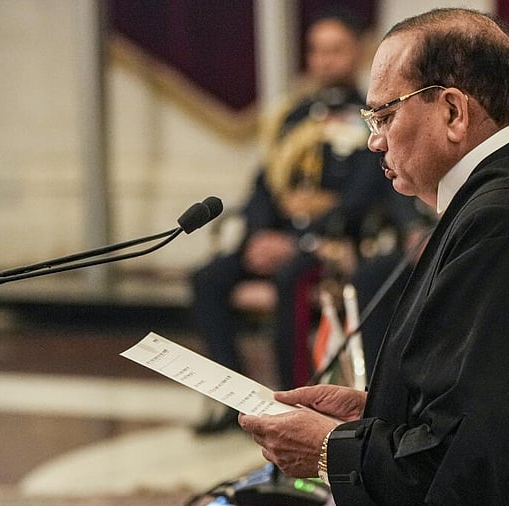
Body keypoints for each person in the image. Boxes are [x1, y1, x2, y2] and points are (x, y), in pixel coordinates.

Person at [240, 8, 509, 505]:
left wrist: (328, 450)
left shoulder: (505, 223)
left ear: (453, 111)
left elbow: (479, 466)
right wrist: (378, 410)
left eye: (385, 116)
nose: (375, 140)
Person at [190, 11, 410, 433]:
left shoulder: (371, 114)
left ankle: (296, 401)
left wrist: (302, 239)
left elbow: (365, 193)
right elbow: (264, 184)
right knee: (209, 277)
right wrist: (257, 237)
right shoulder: (293, 117)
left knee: (293, 276)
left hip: (332, 242)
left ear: (356, 54)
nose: (324, 60)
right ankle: (231, 399)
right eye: (316, 51)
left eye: (335, 50)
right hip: (278, 237)